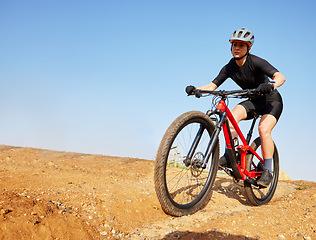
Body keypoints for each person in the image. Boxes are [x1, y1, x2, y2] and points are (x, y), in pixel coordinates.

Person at [186, 28, 285, 187]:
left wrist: (272, 86)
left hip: (271, 101)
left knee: (263, 129)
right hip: (253, 101)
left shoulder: (256, 62)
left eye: (241, 45)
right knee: (231, 118)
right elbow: (212, 85)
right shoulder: (229, 67)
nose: (236, 48)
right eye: (234, 45)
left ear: (248, 48)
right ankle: (231, 155)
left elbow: (280, 76)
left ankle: (267, 170)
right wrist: (196, 89)